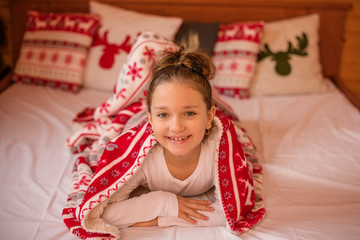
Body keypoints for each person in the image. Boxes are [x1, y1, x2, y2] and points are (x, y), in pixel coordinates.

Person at [101, 46, 229, 228]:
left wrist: (160, 220)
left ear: (209, 117)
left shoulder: (219, 151)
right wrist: (162, 202)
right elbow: (102, 212)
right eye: (163, 115)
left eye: (190, 113)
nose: (176, 127)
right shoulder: (142, 159)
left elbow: (231, 212)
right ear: (151, 120)